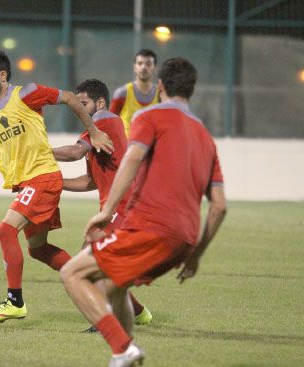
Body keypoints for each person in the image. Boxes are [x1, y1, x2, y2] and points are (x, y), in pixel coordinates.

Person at [60, 58, 227, 366]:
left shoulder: (149, 116)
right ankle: (125, 355)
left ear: (160, 86)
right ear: (191, 90)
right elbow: (219, 206)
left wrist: (106, 209)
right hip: (185, 240)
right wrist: (196, 255)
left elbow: (132, 159)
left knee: (72, 273)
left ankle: (123, 347)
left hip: (151, 227)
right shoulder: (206, 136)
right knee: (115, 286)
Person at [0, 48, 113, 322]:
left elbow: (71, 98)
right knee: (38, 249)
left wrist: (93, 131)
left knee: (5, 231)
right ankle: (100, 285)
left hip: (44, 177)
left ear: (2, 75)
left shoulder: (26, 94)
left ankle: (15, 302)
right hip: (29, 183)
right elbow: (3, 150)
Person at [52, 79, 152, 329]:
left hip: (124, 205)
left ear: (100, 103)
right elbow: (90, 181)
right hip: (114, 207)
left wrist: (36, 151)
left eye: (83, 103)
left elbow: (74, 153)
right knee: (98, 262)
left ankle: (104, 320)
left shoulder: (105, 121)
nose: (79, 109)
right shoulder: (95, 133)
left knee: (90, 255)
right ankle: (137, 312)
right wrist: (55, 181)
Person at [109, 49, 159, 137]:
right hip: (126, 148)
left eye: (148, 64)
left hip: (152, 148)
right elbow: (110, 123)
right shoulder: (122, 93)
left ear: (155, 68)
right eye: (140, 63)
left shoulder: (161, 95)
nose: (143, 67)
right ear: (134, 67)